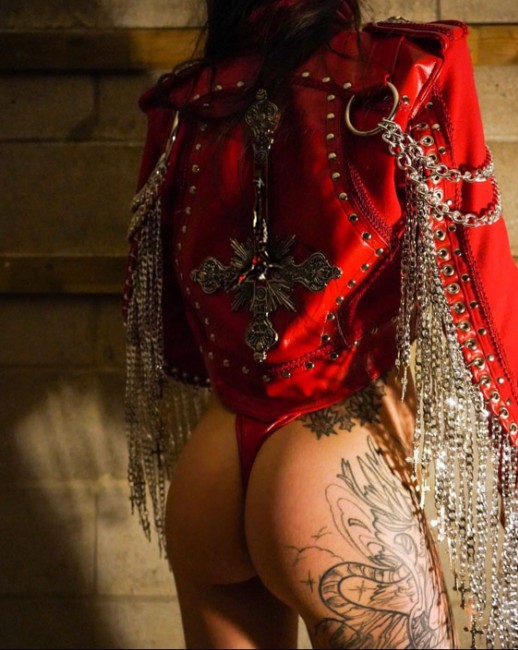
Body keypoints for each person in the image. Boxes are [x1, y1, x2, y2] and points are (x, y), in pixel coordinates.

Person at [123, 1, 518, 648]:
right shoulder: (397, 73)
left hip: (211, 467)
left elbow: (163, 309)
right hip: (333, 467)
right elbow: (477, 282)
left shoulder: (187, 104)